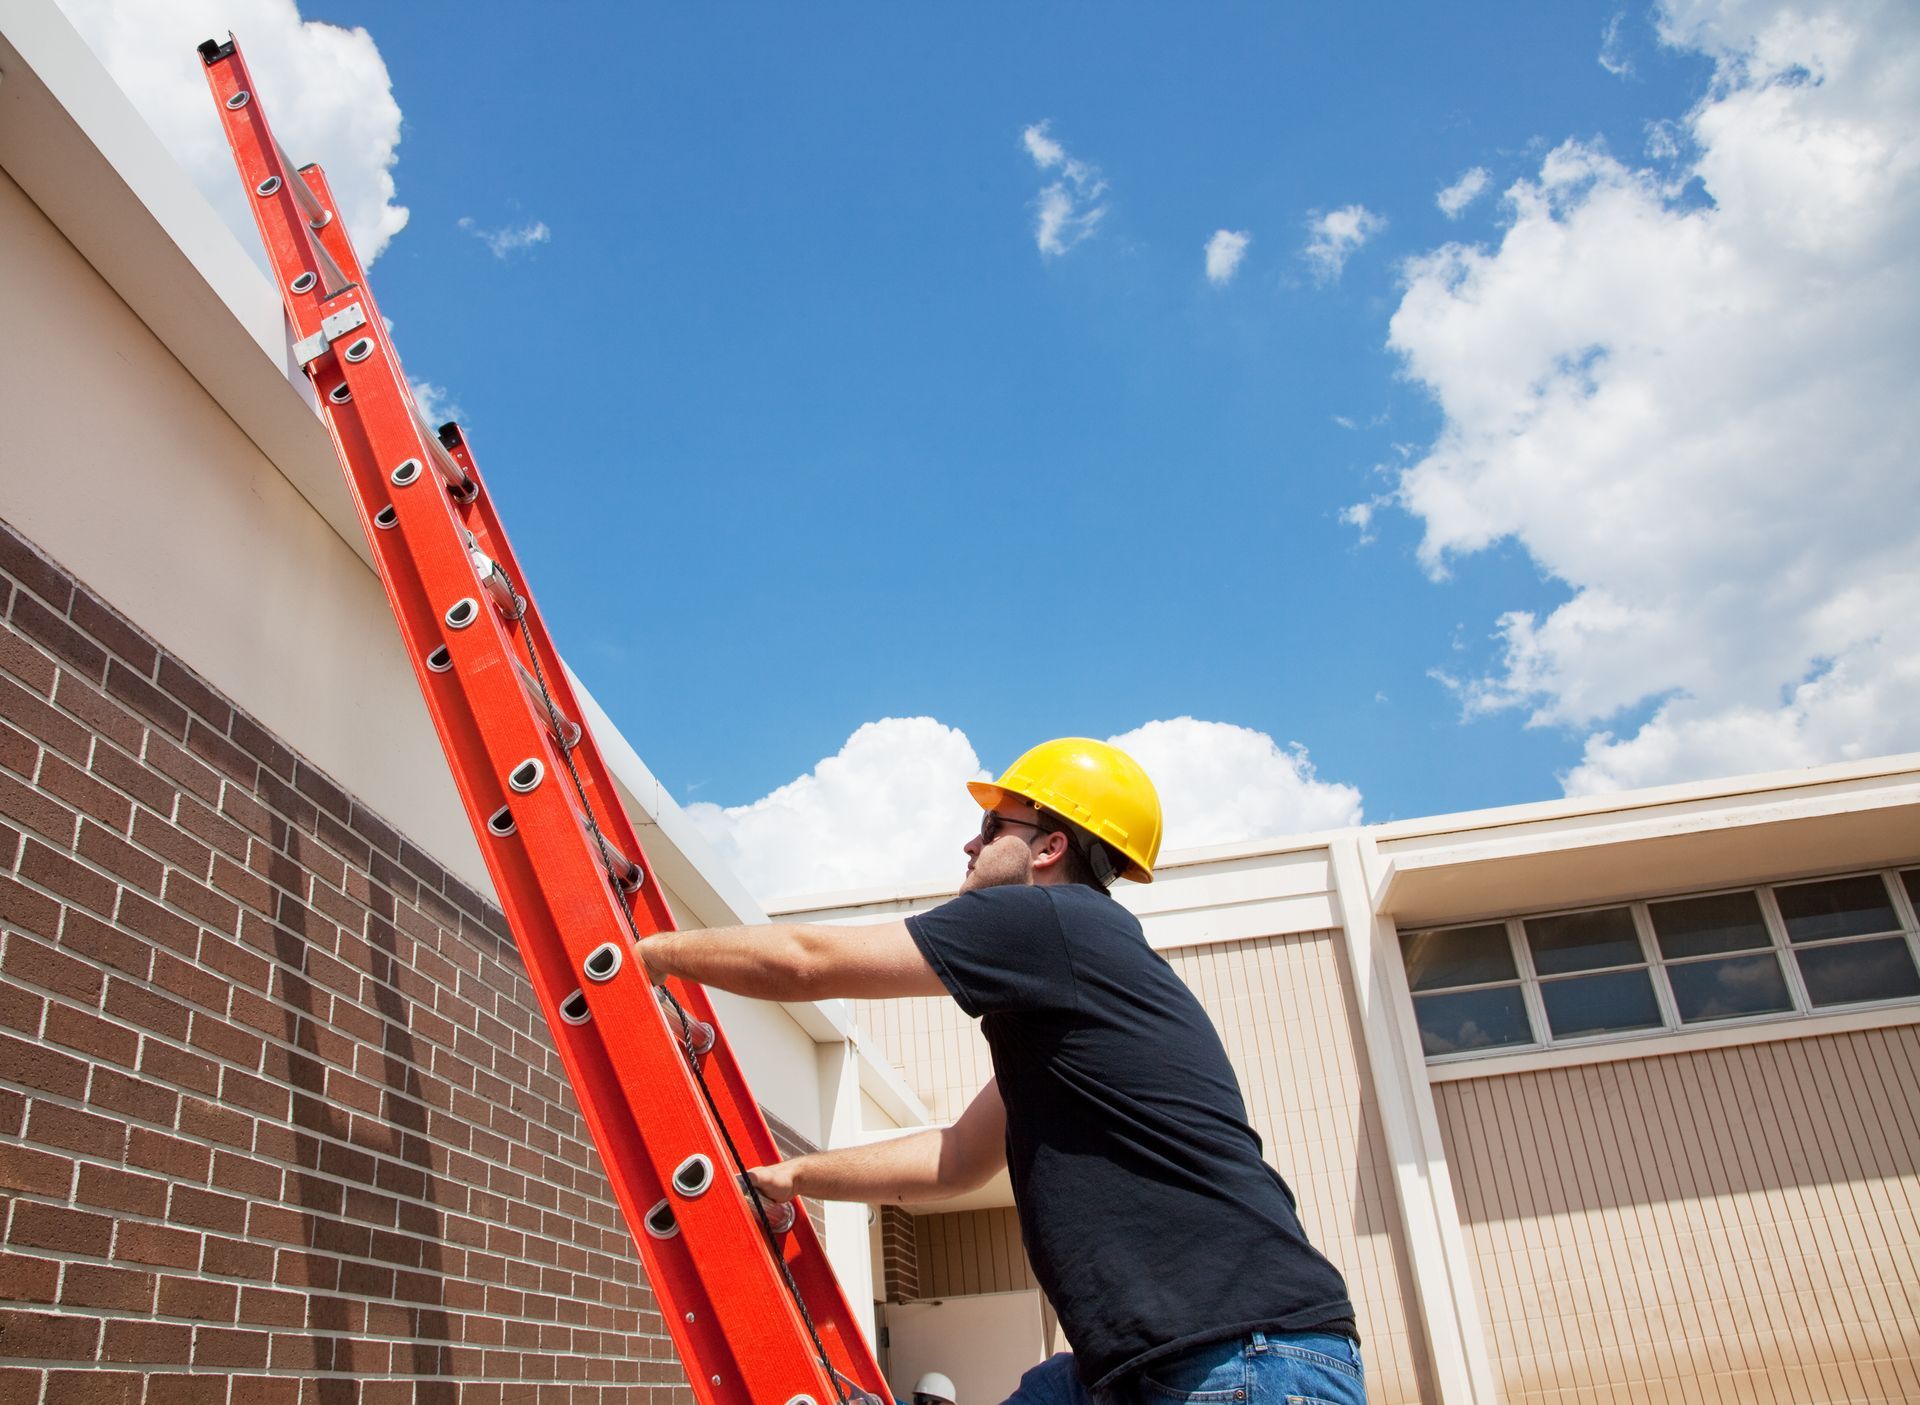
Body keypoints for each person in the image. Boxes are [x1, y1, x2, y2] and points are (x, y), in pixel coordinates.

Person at [640, 738, 1365, 1405]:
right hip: (1173, 1358)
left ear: (1048, 847)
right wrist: (798, 1176)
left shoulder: (1051, 923)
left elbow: (809, 960)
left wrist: (649, 952)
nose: (970, 841)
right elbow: (955, 1157)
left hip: (1242, 1358)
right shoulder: (1075, 987)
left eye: (992, 828)